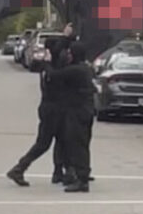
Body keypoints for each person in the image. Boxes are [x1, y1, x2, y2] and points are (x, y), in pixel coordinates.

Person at [7, 23, 74, 187]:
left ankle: (59, 172)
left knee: (62, 140)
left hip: (53, 108)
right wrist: (66, 36)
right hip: (52, 109)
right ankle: (19, 168)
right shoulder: (52, 68)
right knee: (43, 143)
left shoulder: (47, 65)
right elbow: (60, 51)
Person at [45, 42, 96, 193]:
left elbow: (54, 75)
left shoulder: (76, 70)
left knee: (78, 146)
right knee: (81, 144)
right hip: (86, 111)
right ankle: (80, 174)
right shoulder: (85, 69)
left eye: (70, 53)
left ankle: (82, 180)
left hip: (78, 112)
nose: (68, 55)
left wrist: (47, 62)